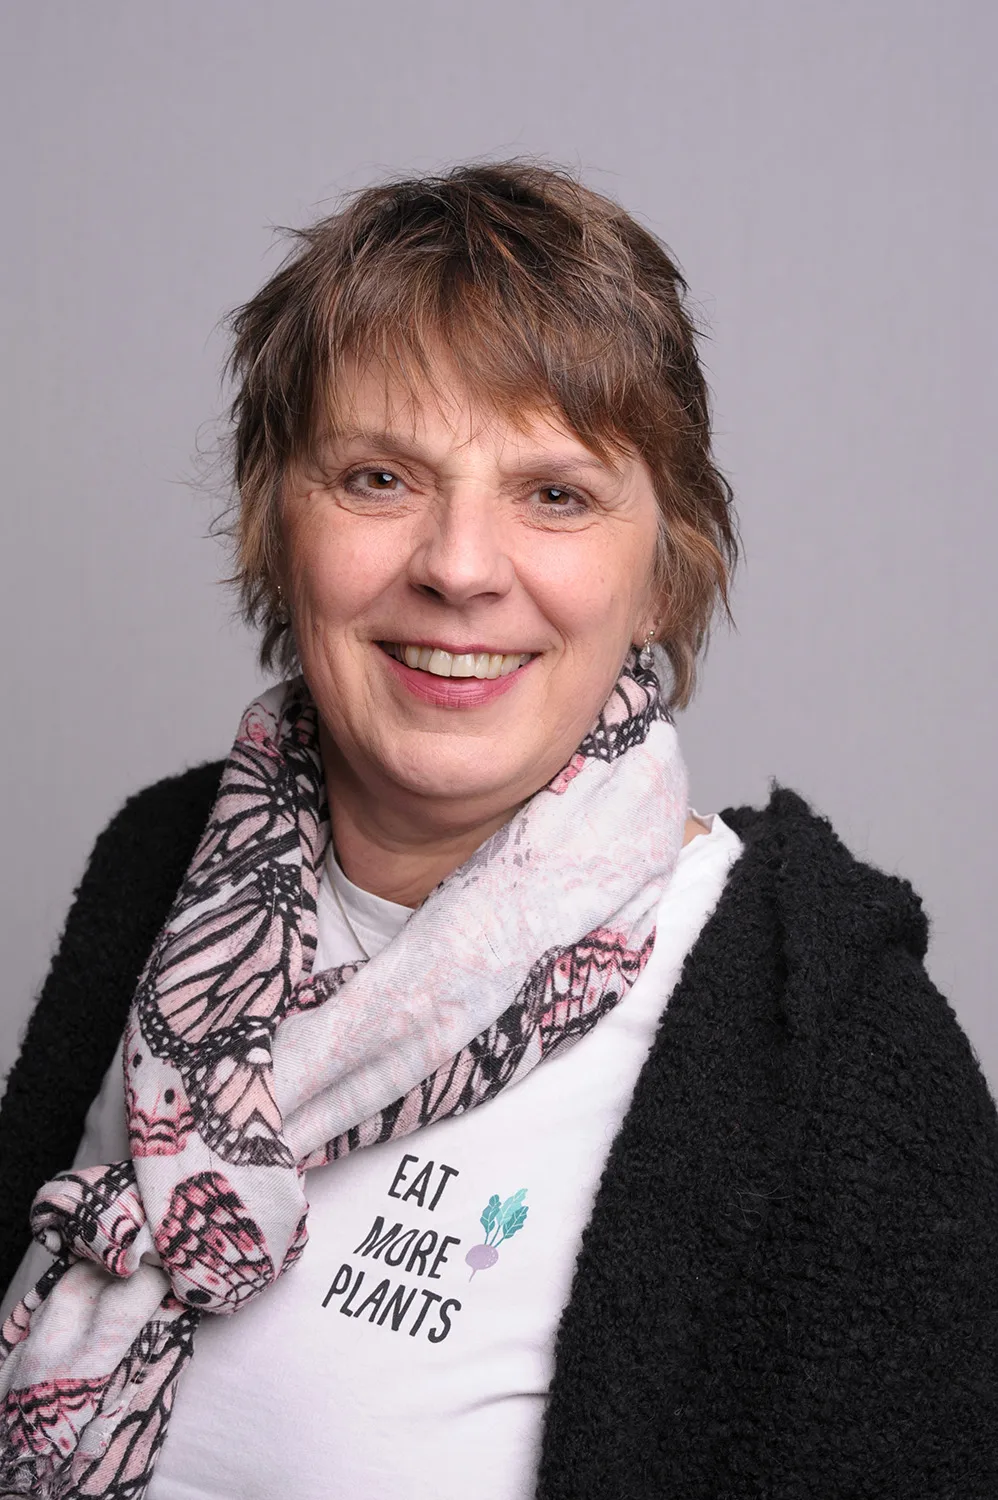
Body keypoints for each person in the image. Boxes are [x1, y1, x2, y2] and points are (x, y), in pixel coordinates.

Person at [0, 161, 995, 1500]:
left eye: (556, 494)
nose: (459, 567)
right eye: (378, 478)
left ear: (664, 569)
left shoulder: (818, 1038)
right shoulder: (160, 865)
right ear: (274, 521)